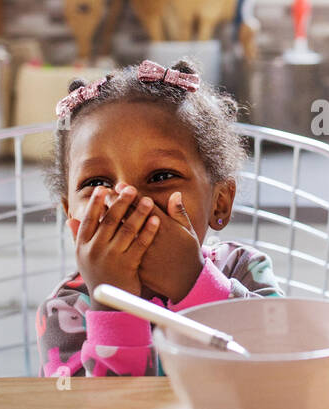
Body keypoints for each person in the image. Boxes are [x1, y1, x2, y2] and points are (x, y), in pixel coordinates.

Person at [35, 58, 281, 378]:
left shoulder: (244, 269)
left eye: (161, 176)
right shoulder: (66, 309)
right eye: (96, 183)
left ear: (220, 202)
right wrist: (113, 305)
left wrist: (192, 281)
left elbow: (277, 369)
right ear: (71, 215)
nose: (126, 198)